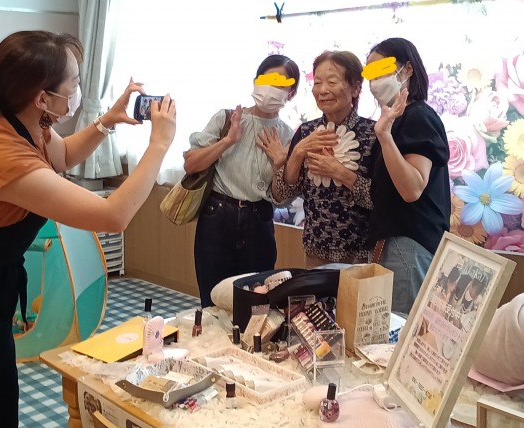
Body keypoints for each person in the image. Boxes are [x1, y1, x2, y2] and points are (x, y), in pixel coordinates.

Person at [0, 31, 176, 428]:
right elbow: (113, 216)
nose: (77, 93)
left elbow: (61, 155)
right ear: (43, 98)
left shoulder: (20, 116)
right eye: (73, 85)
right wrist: (159, 146)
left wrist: (106, 121)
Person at [185, 54, 300, 308]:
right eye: (266, 80)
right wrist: (228, 141)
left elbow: (282, 198)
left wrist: (279, 162)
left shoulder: (288, 136)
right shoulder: (227, 119)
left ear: (290, 93)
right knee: (212, 299)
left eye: (280, 84)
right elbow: (191, 164)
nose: (270, 89)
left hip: (259, 221)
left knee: (257, 301)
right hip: (217, 216)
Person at [366, 37, 450, 315]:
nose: (374, 82)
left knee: (399, 332)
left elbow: (412, 188)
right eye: (370, 75)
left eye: (381, 70)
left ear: (408, 69)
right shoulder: (395, 120)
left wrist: (384, 137)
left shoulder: (418, 116)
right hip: (395, 246)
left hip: (408, 247)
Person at [272, 51, 377, 268]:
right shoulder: (306, 131)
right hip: (315, 252)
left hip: (360, 257)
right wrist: (298, 152)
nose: (322, 90)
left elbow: (380, 200)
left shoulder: (374, 134)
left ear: (356, 88)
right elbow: (281, 195)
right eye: (317, 82)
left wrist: (340, 172)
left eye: (332, 82)